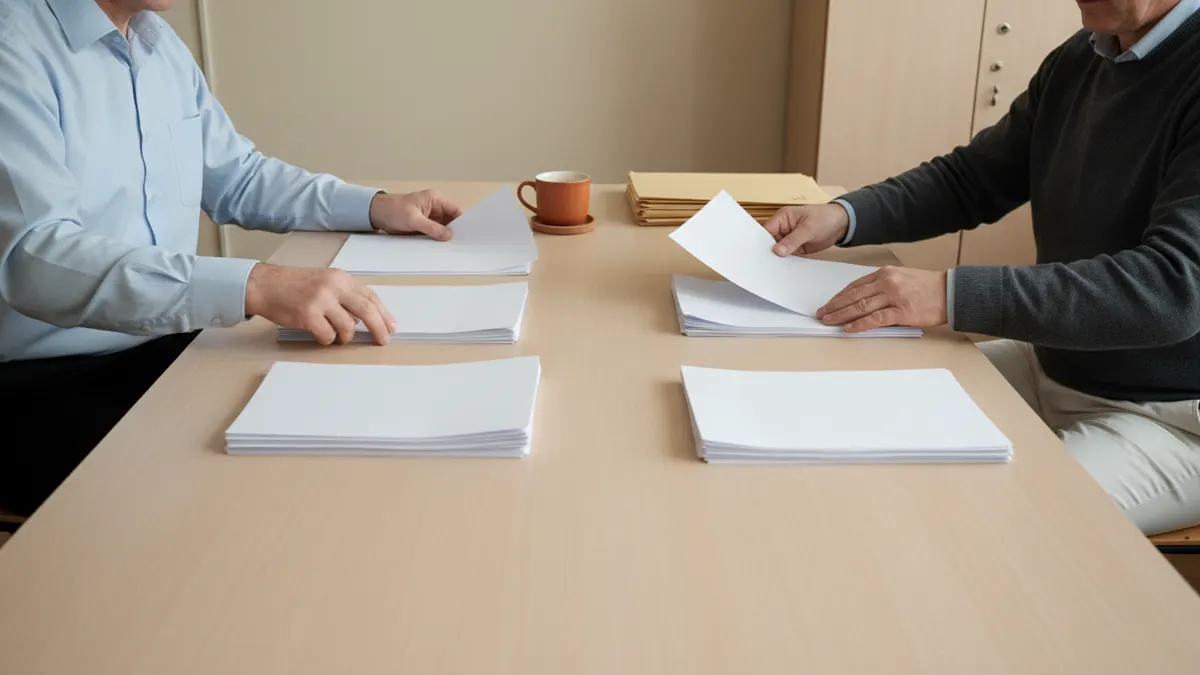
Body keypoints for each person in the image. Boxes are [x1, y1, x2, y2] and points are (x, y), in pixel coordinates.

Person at [0, 0, 465, 515]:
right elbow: (35, 257)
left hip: (167, 347)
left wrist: (375, 207)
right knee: (247, 499)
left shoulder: (157, 43)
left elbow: (238, 177)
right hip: (41, 383)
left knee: (342, 418)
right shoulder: (12, 46)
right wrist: (254, 285)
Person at [763, 0, 1200, 535]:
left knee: (974, 526)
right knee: (852, 407)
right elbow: (973, 179)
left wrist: (949, 295)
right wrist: (846, 215)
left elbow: (1171, 290)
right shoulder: (1080, 59)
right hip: (1057, 362)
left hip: (1175, 416)